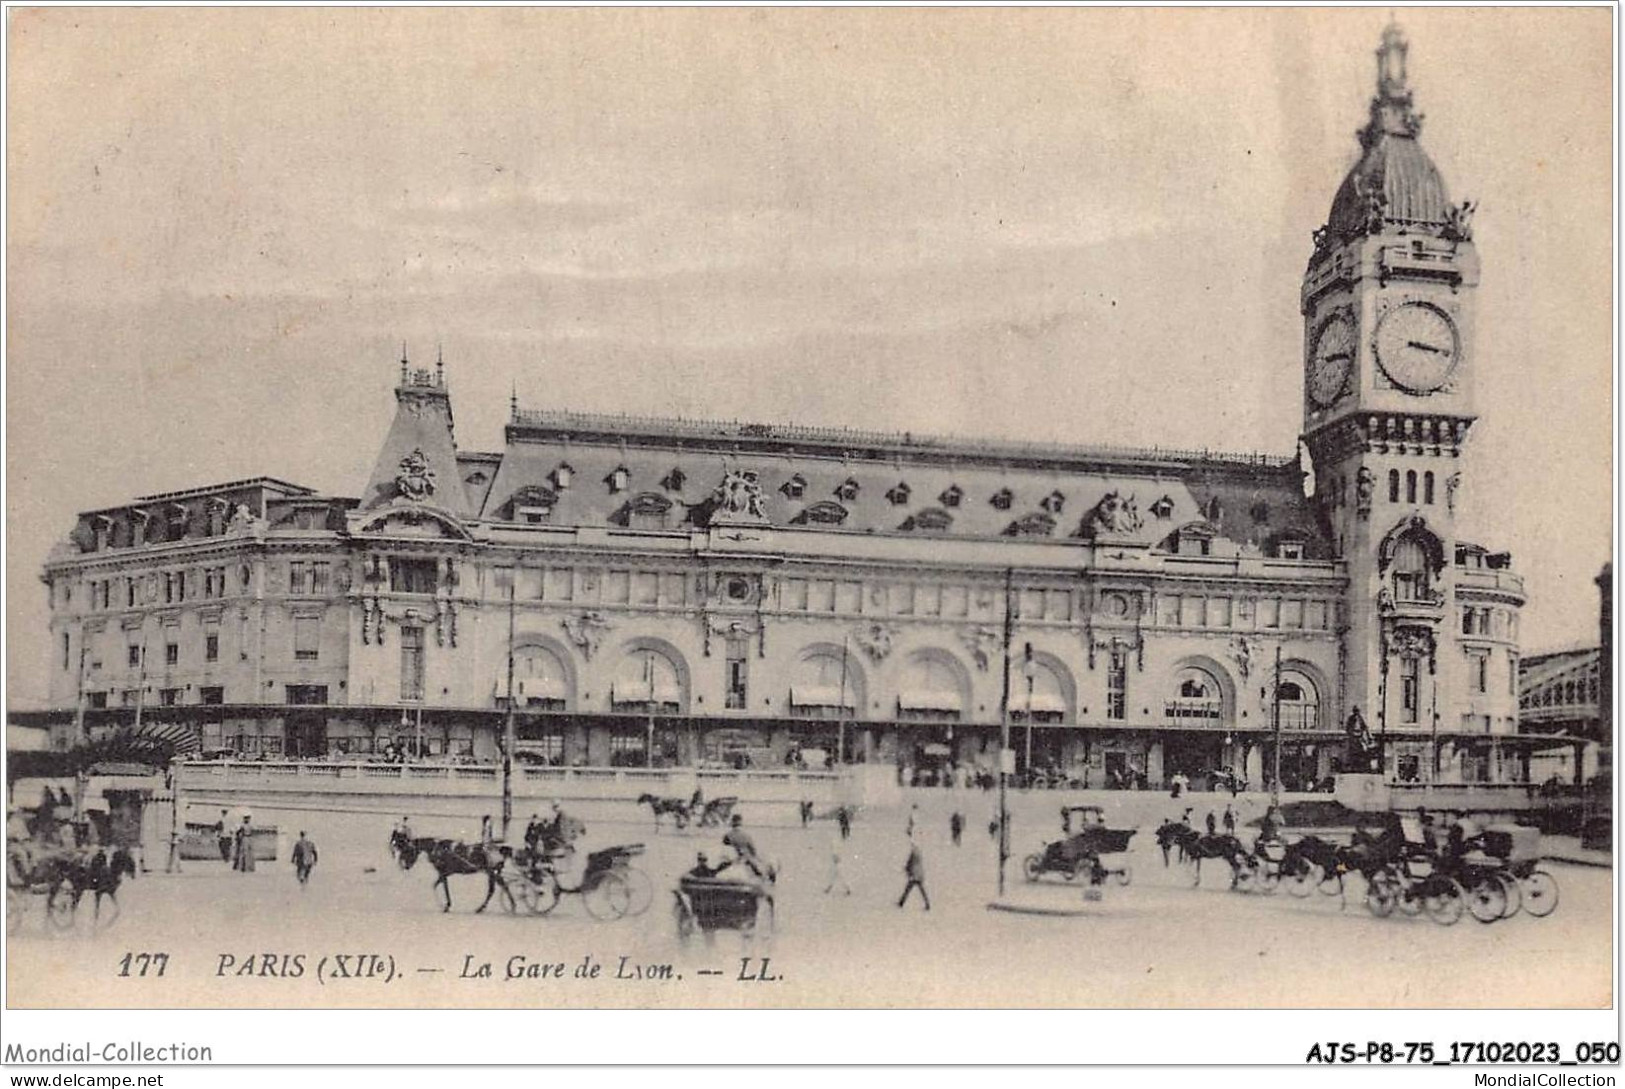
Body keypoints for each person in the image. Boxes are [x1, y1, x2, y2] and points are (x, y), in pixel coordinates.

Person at [898, 838, 930, 910]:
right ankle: (927, 903)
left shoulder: (914, 853)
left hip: (914, 874)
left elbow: (910, 862)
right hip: (919, 874)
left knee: (908, 889)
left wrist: (907, 868)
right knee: (921, 889)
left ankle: (901, 902)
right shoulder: (919, 852)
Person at [824, 828, 850, 896]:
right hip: (837, 861)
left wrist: (836, 857)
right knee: (836, 875)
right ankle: (830, 887)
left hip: (837, 862)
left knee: (837, 875)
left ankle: (846, 888)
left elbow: (836, 852)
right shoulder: (838, 844)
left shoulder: (835, 845)